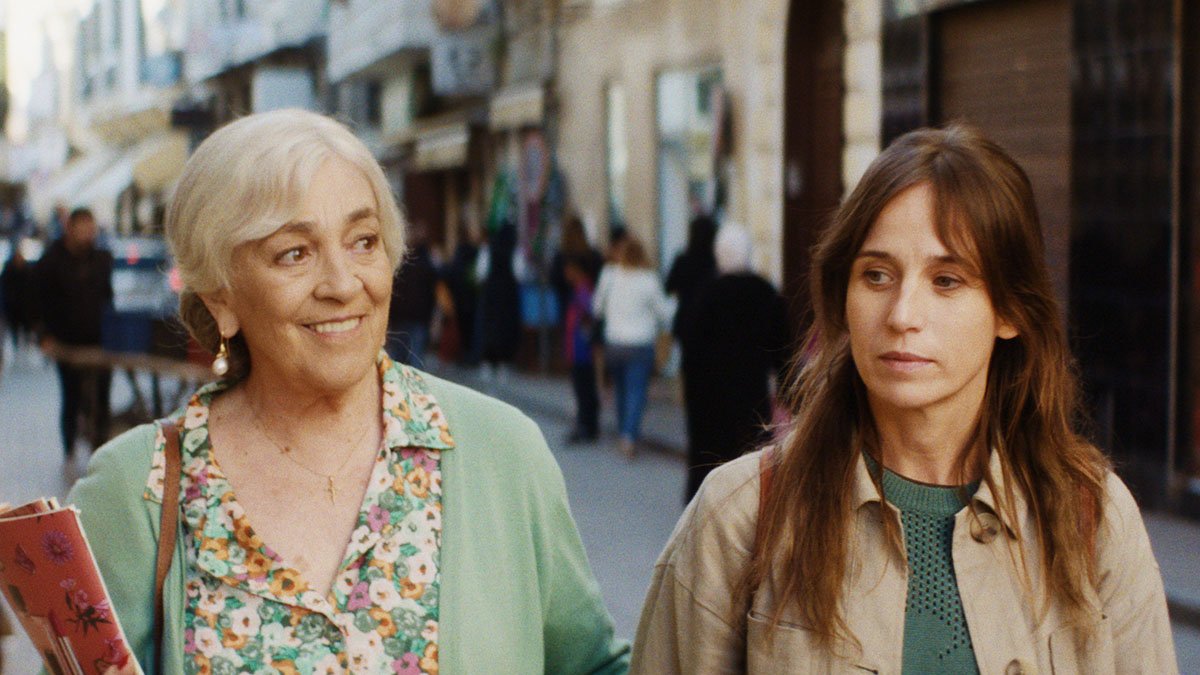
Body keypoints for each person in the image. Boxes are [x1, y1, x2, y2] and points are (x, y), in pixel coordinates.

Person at [68, 110, 629, 673]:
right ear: (221, 299)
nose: (343, 284)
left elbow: (592, 666)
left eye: (363, 241)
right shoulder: (138, 491)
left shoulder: (502, 454)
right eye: (294, 253)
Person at [631, 126, 1177, 673]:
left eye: (946, 280)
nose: (901, 315)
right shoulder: (741, 519)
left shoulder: (1091, 519)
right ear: (842, 298)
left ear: (1010, 311)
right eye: (876, 275)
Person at [679, 223, 789, 502]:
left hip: (709, 396)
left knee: (710, 456)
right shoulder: (765, 292)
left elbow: (690, 347)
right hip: (750, 392)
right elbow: (782, 350)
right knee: (748, 457)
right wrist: (787, 390)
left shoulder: (706, 293)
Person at [35, 207, 114, 456]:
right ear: (71, 229)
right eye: (83, 228)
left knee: (102, 395)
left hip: (99, 340)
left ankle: (99, 447)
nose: (87, 234)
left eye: (90, 228)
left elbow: (107, 297)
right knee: (71, 395)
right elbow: (37, 300)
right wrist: (43, 334)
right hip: (66, 341)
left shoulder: (101, 258)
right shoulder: (51, 260)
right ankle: (69, 447)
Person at [592, 236, 673, 459]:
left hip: (614, 342)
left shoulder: (610, 275)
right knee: (636, 390)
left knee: (621, 388)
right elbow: (664, 314)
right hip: (640, 343)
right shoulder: (649, 279)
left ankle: (623, 429)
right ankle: (629, 435)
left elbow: (597, 307)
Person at [386, 221, 438, 366]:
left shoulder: (421, 261)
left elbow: (431, 292)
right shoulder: (407, 260)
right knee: (403, 361)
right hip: (405, 318)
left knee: (408, 361)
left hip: (413, 319)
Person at [1, 246, 35, 352]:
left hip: (24, 304)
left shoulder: (27, 271)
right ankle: (17, 343)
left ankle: (25, 342)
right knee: (14, 326)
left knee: (25, 326)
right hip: (12, 305)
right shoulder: (8, 271)